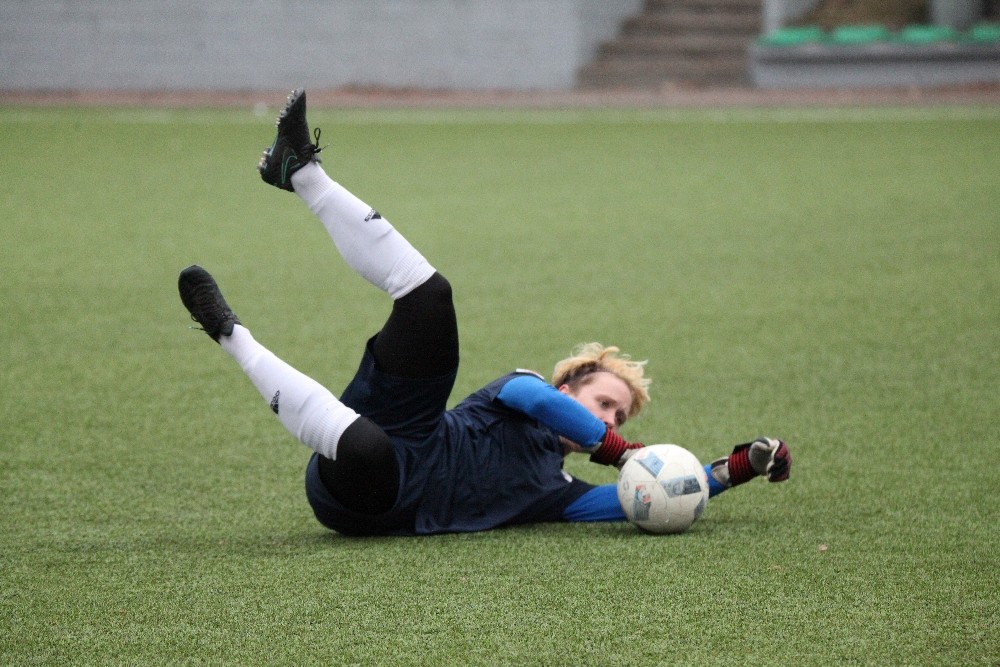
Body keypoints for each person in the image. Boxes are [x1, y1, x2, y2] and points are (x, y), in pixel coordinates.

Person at [178, 89, 791, 537]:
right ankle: (301, 172)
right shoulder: (518, 394)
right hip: (414, 427)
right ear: (566, 387)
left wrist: (738, 468)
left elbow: (652, 495)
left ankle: (231, 336)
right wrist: (616, 446)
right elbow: (536, 401)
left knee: (367, 448)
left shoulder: (557, 493)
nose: (609, 416)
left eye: (618, 414)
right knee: (431, 297)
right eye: (604, 401)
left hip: (362, 499)